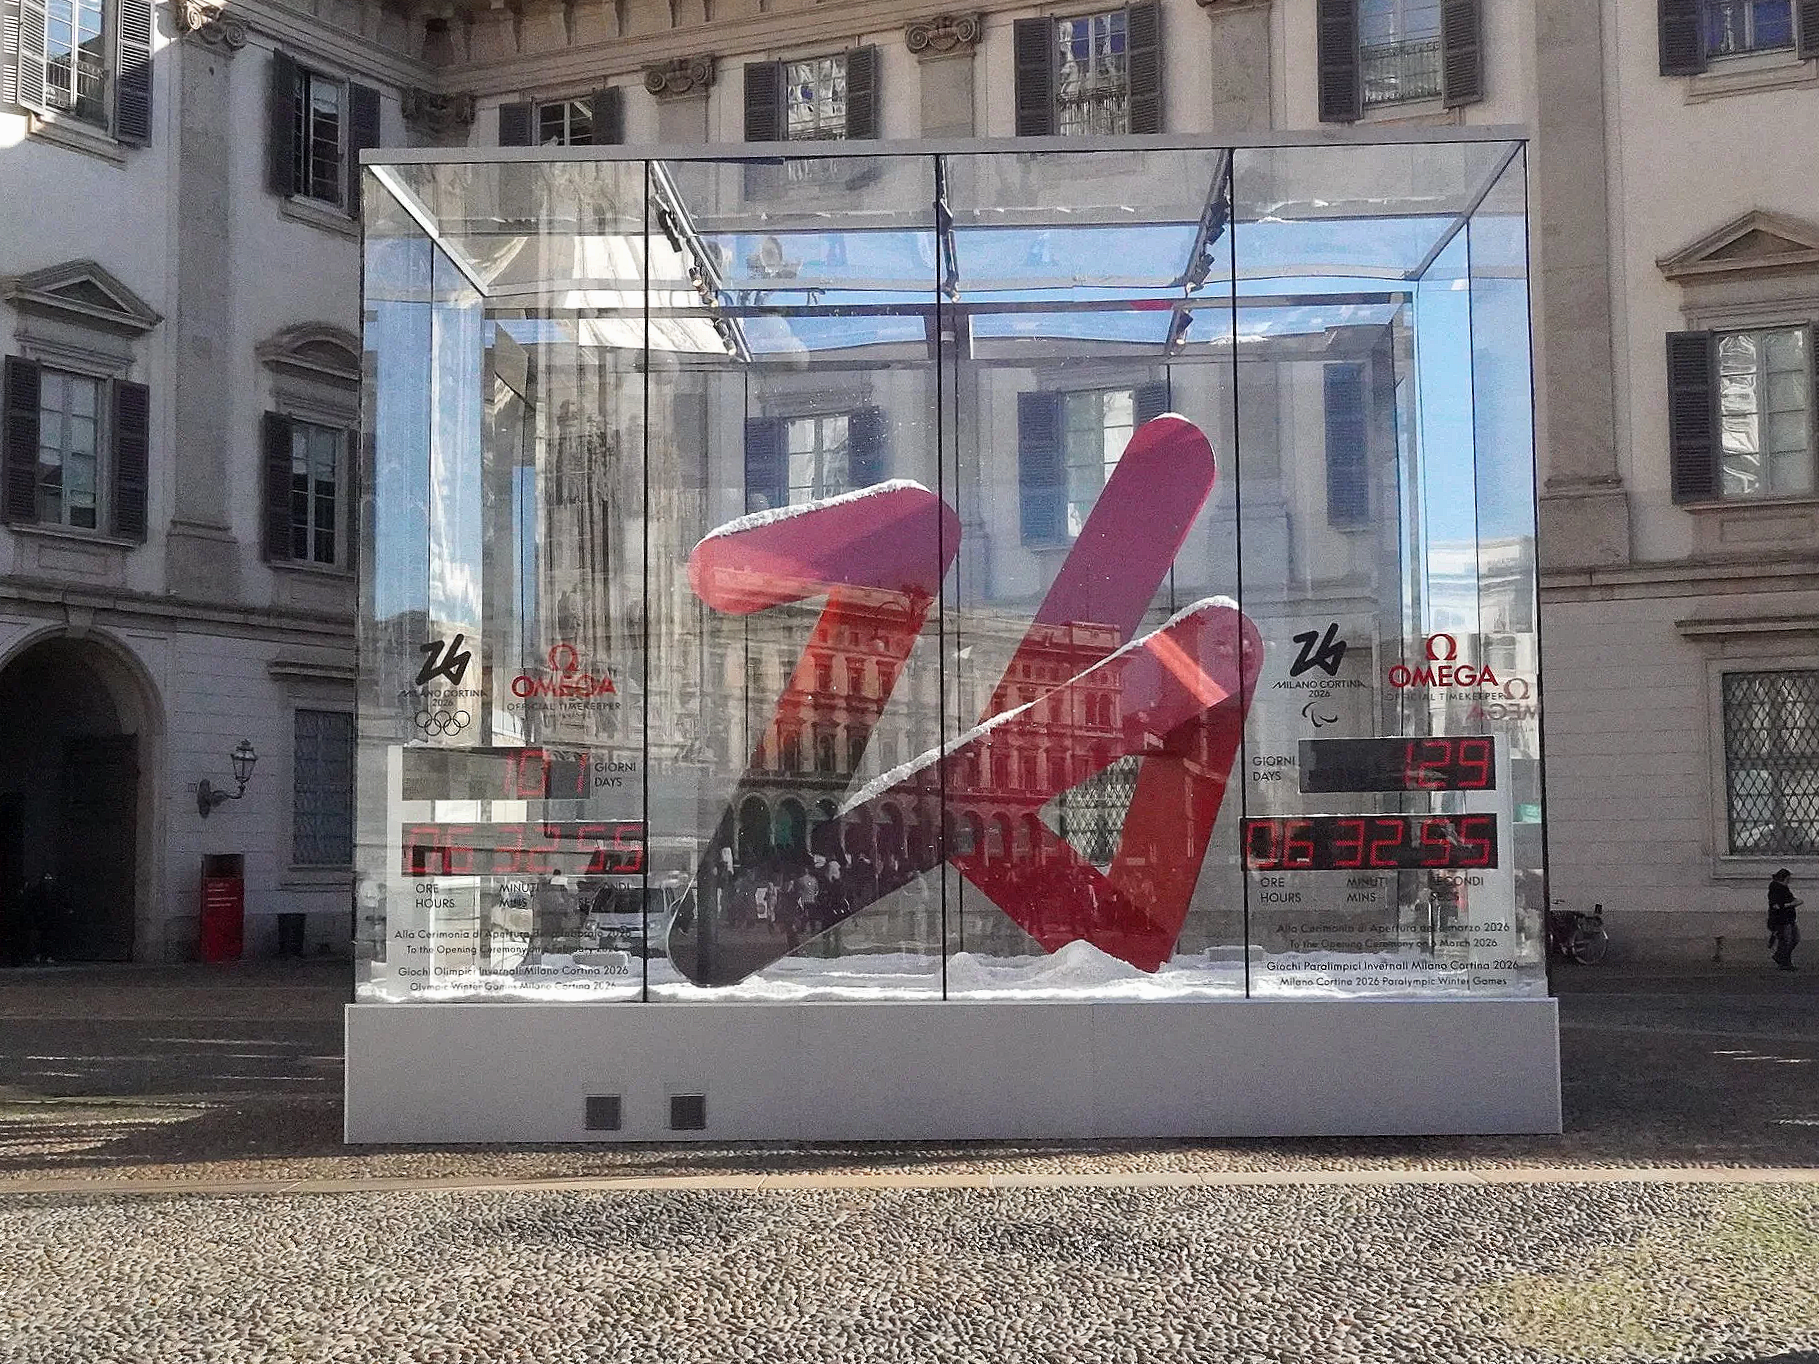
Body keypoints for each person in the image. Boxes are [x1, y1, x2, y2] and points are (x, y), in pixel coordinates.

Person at [1768, 868, 1801, 972]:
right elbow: (1776, 906)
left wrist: (1795, 901)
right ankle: (1785, 962)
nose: (1789, 881)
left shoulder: (1784, 888)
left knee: (1794, 939)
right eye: (1788, 879)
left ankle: (1780, 957)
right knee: (1787, 941)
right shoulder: (1775, 889)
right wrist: (1792, 904)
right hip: (1781, 920)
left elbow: (1789, 899)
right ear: (1784, 878)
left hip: (1789, 918)